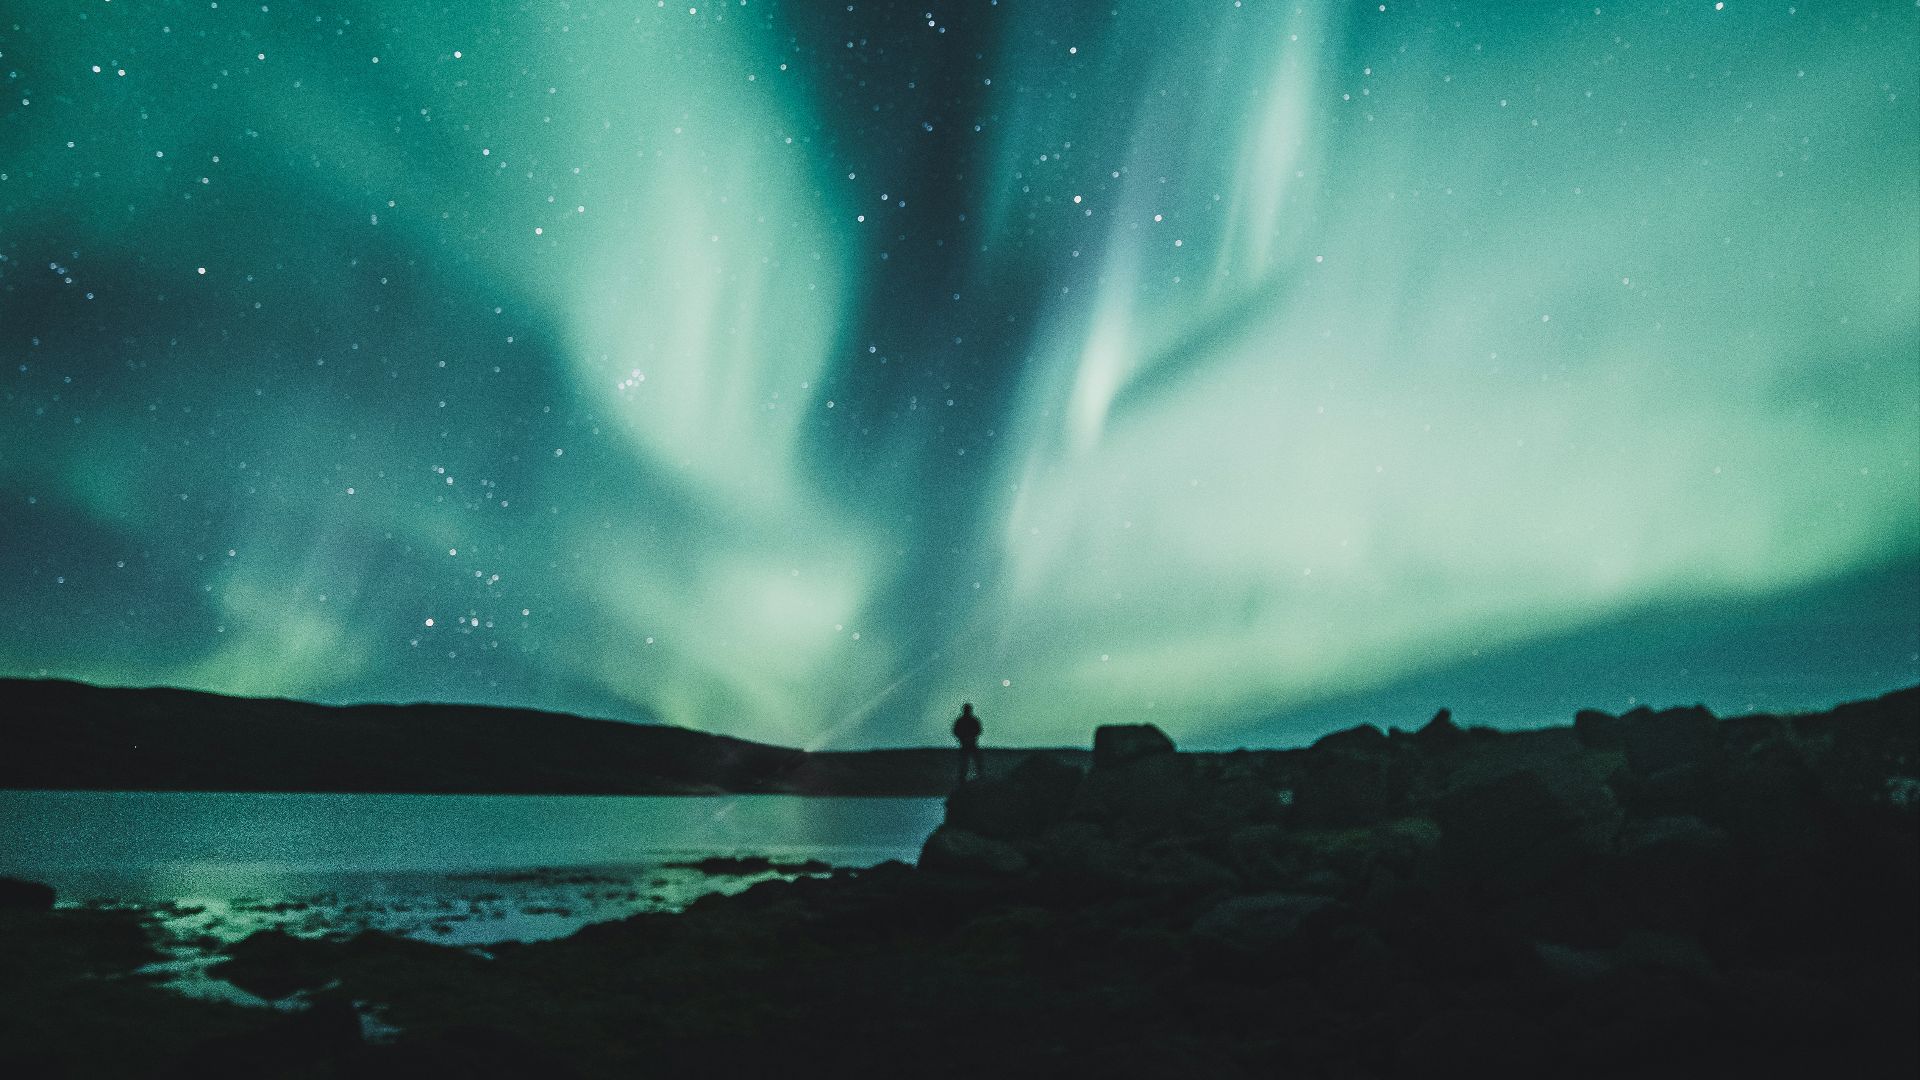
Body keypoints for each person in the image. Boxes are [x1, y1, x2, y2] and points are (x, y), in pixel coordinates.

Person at [952, 702, 985, 784]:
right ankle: (965, 778)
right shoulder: (966, 720)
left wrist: (967, 737)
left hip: (969, 743)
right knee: (966, 762)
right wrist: (964, 737)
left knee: (972, 760)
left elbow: (978, 730)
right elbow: (956, 731)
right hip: (967, 743)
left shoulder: (966, 720)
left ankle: (977, 776)